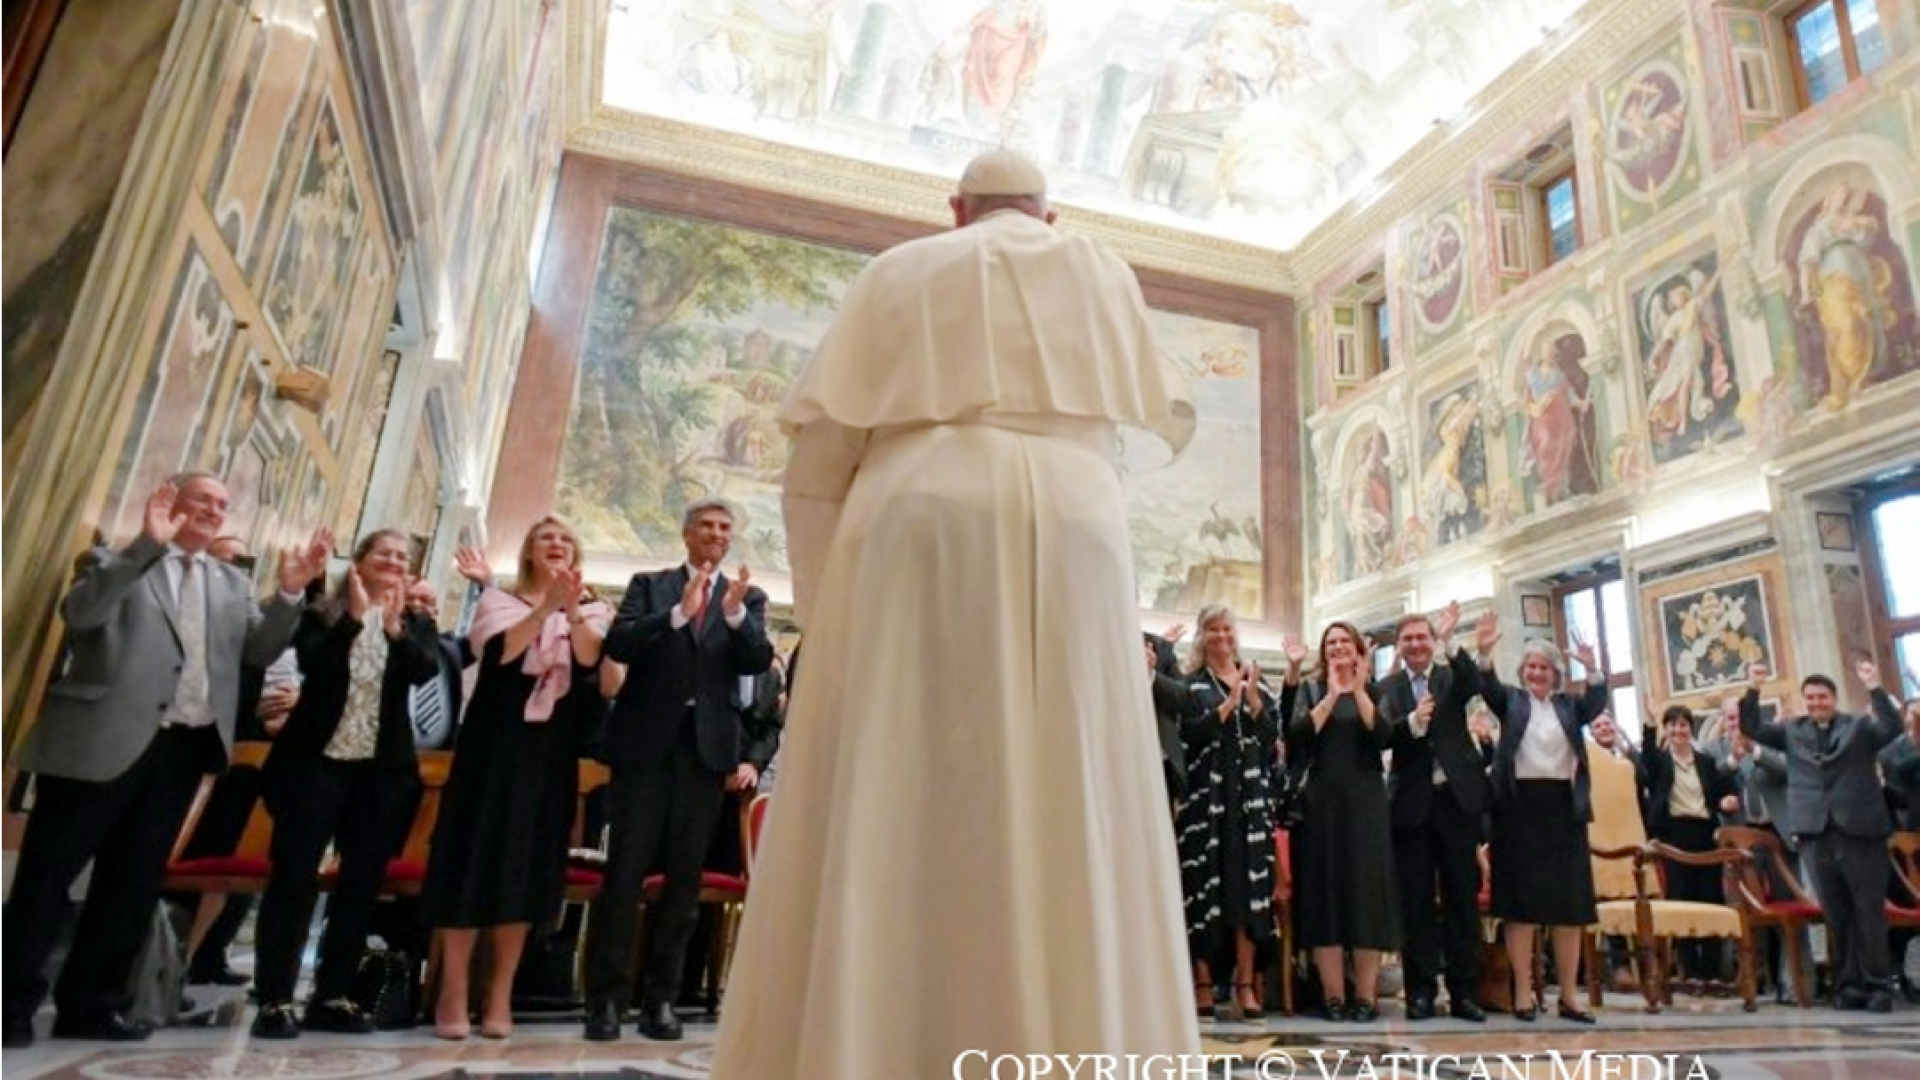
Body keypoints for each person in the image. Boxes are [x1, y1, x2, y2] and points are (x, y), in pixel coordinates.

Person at [708, 149, 1198, 1077]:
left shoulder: (899, 271)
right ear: (1049, 217)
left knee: (898, 775)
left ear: (956, 209)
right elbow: (1116, 427)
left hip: (916, 519)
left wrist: (832, 620)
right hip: (1079, 526)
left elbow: (818, 467)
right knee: (1074, 783)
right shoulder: (1100, 270)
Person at [2, 475, 328, 1048]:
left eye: (223, 505)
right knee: (47, 877)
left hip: (181, 750)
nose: (212, 510)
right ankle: (11, 1002)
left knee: (131, 884)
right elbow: (82, 614)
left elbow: (258, 649)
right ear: (167, 499)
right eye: (201, 498)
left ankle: (92, 1003)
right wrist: (147, 548)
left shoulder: (230, 583)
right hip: (101, 740)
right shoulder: (114, 559)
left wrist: (290, 595)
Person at [584, 499, 774, 1042]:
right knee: (625, 874)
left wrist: (734, 615)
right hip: (645, 746)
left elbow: (756, 660)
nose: (717, 535)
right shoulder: (650, 584)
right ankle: (606, 1001)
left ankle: (661, 999)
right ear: (687, 534)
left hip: (705, 752)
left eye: (724, 529)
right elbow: (618, 644)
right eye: (707, 527)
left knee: (684, 881)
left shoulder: (748, 599)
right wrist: (675, 615)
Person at [249, 529, 442, 1038]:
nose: (394, 562)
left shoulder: (416, 621)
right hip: (316, 766)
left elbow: (423, 672)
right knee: (293, 880)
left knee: (359, 888)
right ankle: (274, 998)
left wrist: (396, 628)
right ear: (359, 562)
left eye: (403, 558)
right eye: (384, 553)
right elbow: (316, 664)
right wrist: (356, 621)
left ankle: (332, 994)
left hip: (379, 775)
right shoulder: (324, 612)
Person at [426, 518, 613, 1039]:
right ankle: (453, 990)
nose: (556, 544)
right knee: (470, 864)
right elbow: (502, 653)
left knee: (525, 870)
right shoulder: (497, 602)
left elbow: (589, 657)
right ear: (529, 552)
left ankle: (499, 994)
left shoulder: (594, 609)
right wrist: (545, 607)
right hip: (491, 749)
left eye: (565, 539)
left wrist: (569, 608)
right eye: (545, 538)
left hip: (549, 755)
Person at [1739, 660, 1904, 1012]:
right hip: (1815, 832)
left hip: (1861, 831)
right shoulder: (1791, 731)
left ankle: (1878, 986)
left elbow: (1892, 727)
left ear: (1834, 697)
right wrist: (1754, 687)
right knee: (1836, 912)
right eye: (1810, 698)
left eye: (1822, 697)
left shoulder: (1858, 727)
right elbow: (1751, 726)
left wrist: (1875, 687)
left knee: (1868, 911)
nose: (1816, 703)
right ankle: (1847, 986)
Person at [1479, 624, 1622, 1024]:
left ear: (1556, 673)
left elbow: (1596, 701)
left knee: (1568, 907)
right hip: (1519, 811)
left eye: (1543, 667)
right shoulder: (1511, 700)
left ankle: (1570, 997)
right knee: (1522, 906)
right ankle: (1523, 991)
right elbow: (1487, 687)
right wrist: (1486, 653)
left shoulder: (1568, 707)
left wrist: (1592, 666)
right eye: (1530, 666)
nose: (1536, 673)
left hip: (1563, 811)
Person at [1161, 606, 1285, 1020]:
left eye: (1226, 628)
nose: (1221, 636)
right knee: (1205, 886)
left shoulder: (1258, 684)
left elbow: (1272, 740)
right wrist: (1225, 707)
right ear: (1201, 636)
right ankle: (1202, 982)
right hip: (1206, 799)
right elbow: (1189, 737)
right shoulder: (1191, 685)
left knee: (1247, 891)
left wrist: (1250, 702)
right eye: (1212, 629)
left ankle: (1245, 983)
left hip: (1249, 800)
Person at [1381, 601, 1491, 1021]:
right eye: (1407, 639)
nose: (1415, 645)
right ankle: (1421, 992)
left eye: (1422, 637)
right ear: (1399, 645)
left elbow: (1472, 680)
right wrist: (1411, 722)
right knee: (1416, 903)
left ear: (1431, 641)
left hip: (1455, 802)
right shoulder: (1387, 688)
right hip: (1410, 806)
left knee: (1462, 899)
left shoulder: (1449, 676)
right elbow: (1383, 736)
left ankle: (1464, 992)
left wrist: (1451, 639)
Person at [1289, 621, 1399, 1022]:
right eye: (1330, 643)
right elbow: (1299, 735)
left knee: (1365, 898)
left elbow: (1383, 736)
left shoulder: (1375, 692)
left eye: (1344, 642)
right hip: (1322, 803)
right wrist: (1333, 695)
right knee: (1326, 896)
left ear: (1357, 649)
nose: (1337, 648)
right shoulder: (1312, 690)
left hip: (1366, 803)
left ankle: (1366, 996)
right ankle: (1334, 995)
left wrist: (1357, 688)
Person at [1638, 705, 1738, 982]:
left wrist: (1726, 801)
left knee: (1710, 898)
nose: (1678, 730)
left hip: (1705, 833)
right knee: (1682, 898)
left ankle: (1712, 970)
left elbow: (1719, 790)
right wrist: (1649, 722)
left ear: (1690, 729)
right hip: (1674, 834)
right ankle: (1690, 970)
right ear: (1666, 730)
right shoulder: (1660, 760)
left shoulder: (1704, 762)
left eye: (1683, 725)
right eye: (1672, 725)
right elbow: (1646, 757)